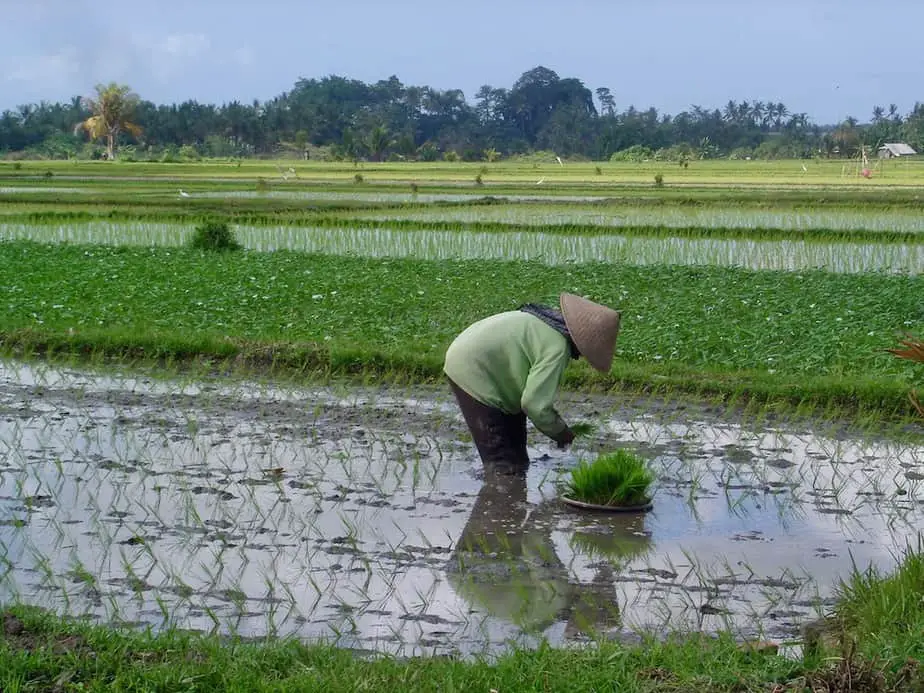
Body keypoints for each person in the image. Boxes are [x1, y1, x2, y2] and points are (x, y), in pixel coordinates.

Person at [443, 293, 621, 473]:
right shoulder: (557, 347)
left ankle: (510, 492)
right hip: (473, 371)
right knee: (503, 463)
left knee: (518, 457)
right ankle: (498, 497)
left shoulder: (544, 322)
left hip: (476, 362)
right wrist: (561, 433)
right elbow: (535, 405)